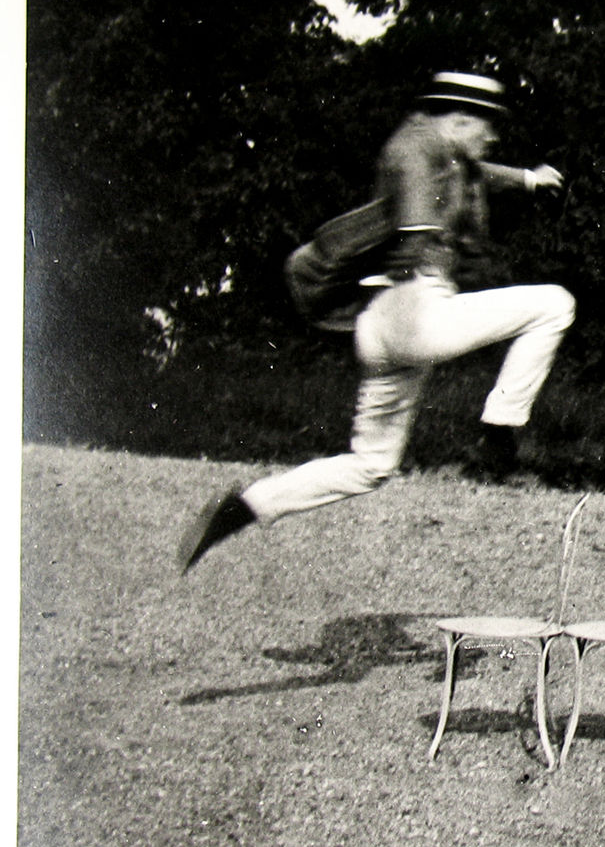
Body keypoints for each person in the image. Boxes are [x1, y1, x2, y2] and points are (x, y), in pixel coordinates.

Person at [179, 71, 575, 573]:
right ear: (459, 119)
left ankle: (246, 506)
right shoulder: (413, 150)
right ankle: (501, 427)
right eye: (487, 126)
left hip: (382, 327)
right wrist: (417, 237)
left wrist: (524, 177)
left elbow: (476, 170)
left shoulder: (438, 147)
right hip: (416, 311)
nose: (491, 136)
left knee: (371, 465)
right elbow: (413, 209)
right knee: (555, 304)